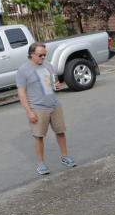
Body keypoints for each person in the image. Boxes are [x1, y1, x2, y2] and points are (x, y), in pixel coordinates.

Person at [16, 42, 77, 176]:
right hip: (38, 108)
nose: (43, 57)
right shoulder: (23, 70)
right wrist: (29, 112)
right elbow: (21, 93)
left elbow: (53, 82)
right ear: (32, 55)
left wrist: (56, 85)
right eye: (40, 55)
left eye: (44, 55)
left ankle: (65, 156)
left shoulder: (48, 65)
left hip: (54, 104)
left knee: (60, 131)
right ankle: (41, 164)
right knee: (39, 136)